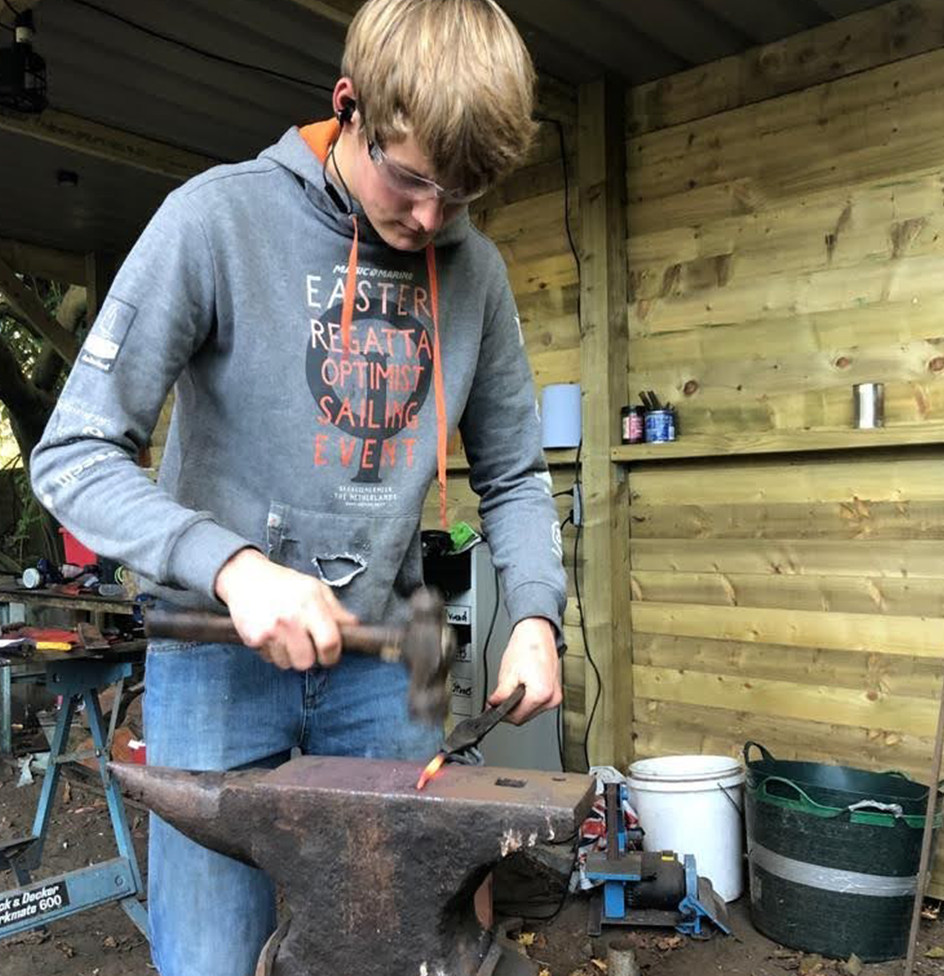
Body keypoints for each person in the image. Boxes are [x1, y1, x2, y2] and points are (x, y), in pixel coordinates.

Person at [30, 0, 567, 972]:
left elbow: (517, 475)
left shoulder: (474, 272)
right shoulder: (218, 220)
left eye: (466, 191)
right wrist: (233, 567)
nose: (431, 220)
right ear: (348, 105)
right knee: (211, 958)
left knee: (400, 951)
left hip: (389, 663)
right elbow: (72, 456)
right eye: (409, 182)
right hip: (215, 659)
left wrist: (534, 614)